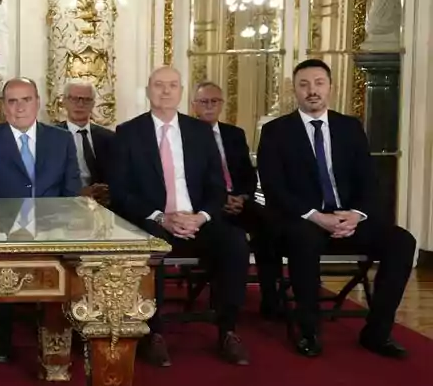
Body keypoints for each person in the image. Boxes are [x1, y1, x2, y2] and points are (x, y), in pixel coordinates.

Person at [257, 59, 413, 359]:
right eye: (304, 85)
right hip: (303, 219)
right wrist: (318, 217)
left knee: (402, 241)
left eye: (318, 83)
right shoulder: (276, 131)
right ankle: (309, 330)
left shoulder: (349, 127)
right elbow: (275, 188)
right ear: (294, 90)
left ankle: (377, 333)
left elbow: (370, 181)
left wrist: (356, 215)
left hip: (348, 218)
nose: (311, 91)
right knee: (303, 240)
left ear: (330, 87)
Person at [110, 67, 250, 367]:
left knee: (235, 241)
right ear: (148, 90)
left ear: (181, 91)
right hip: (154, 221)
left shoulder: (200, 132)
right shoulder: (128, 133)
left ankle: (228, 330)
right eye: (159, 85)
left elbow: (216, 187)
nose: (165, 91)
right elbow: (121, 193)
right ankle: (155, 333)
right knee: (153, 244)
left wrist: (200, 217)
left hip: (197, 220)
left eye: (172, 85)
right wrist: (162, 217)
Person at [0, 77, 81, 362]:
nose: (19, 107)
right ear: (4, 108)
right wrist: (7, 230)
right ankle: (2, 334)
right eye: (12, 101)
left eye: (26, 100)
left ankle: (58, 332)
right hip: (4, 231)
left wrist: (55, 226)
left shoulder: (61, 140)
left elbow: (72, 194)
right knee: (5, 262)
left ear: (38, 103)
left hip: (53, 228)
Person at [190, 80, 282, 317]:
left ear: (222, 104)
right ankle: (225, 299)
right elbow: (190, 181)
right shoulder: (186, 135)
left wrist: (243, 196)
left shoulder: (234, 134)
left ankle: (271, 297)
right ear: (194, 105)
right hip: (206, 206)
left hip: (239, 201)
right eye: (204, 102)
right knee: (231, 236)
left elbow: (248, 175)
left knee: (270, 225)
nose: (209, 106)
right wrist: (221, 199)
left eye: (214, 101)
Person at [56, 79, 115, 205]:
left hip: (103, 206)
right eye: (74, 99)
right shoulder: (51, 137)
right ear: (64, 102)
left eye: (86, 100)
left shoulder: (109, 138)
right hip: (64, 204)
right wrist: (78, 193)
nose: (80, 104)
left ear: (93, 103)